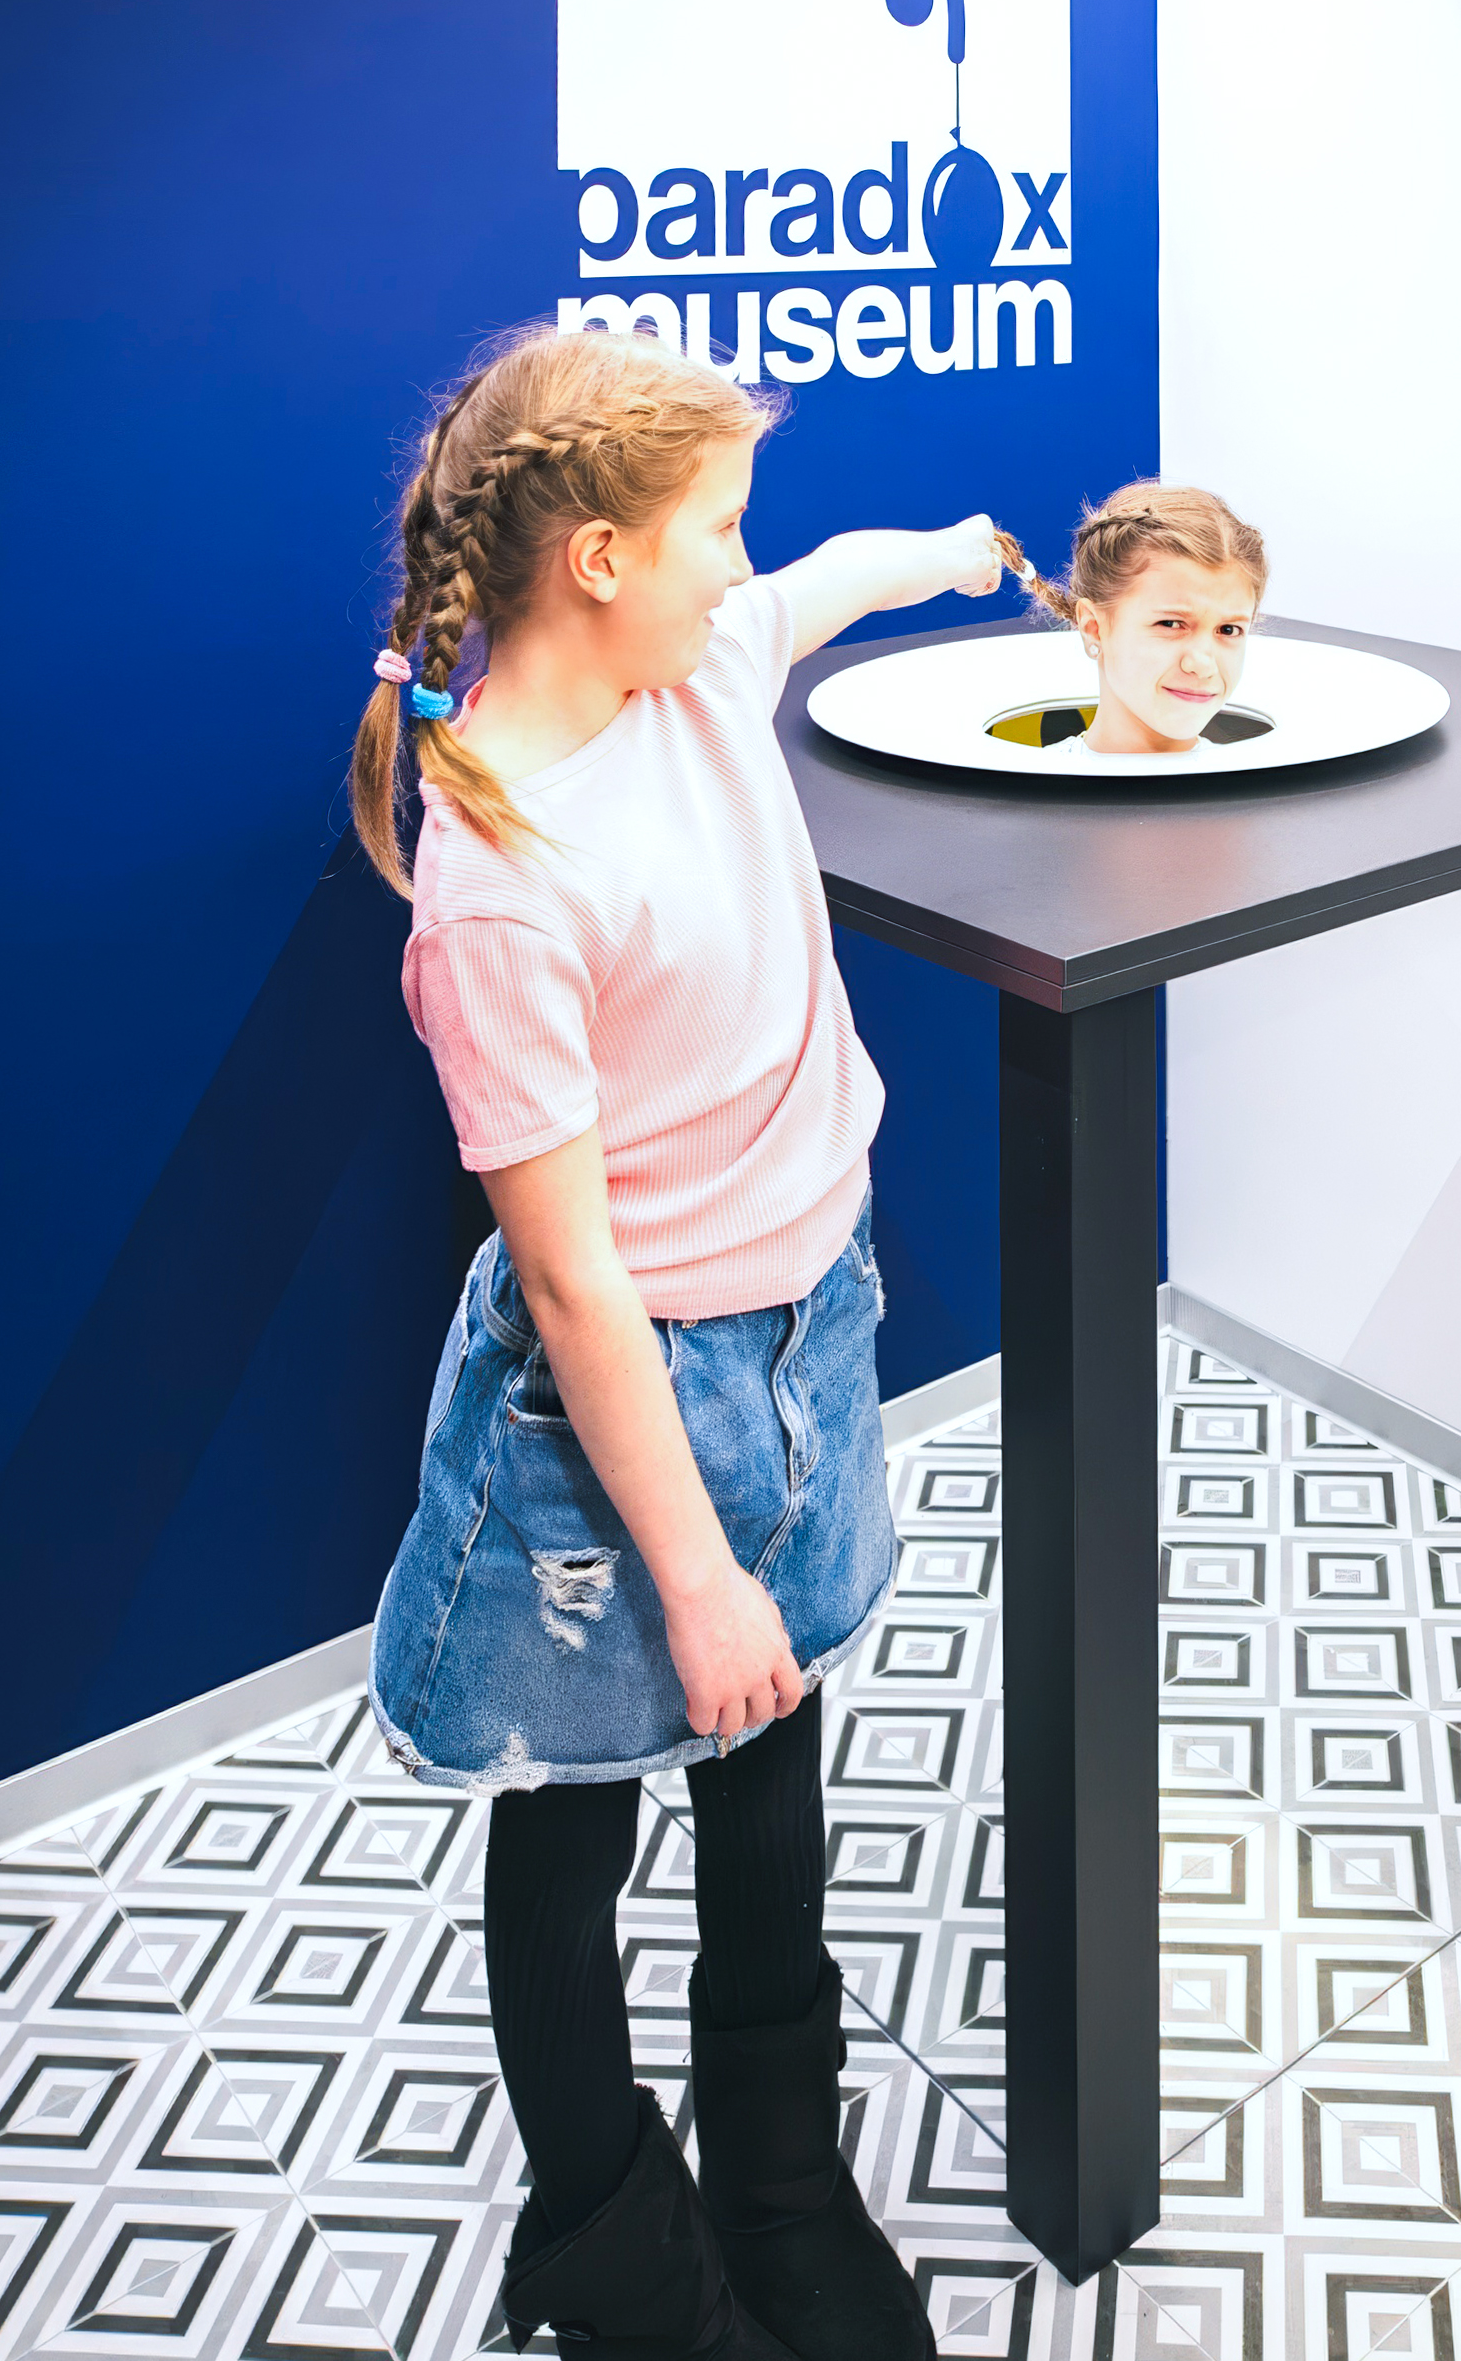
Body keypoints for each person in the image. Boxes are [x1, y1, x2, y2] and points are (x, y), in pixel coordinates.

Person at [350, 322, 1004, 2360]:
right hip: (619, 1407)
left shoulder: (696, 666)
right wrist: (698, 1569)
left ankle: (784, 2188)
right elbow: (567, 1285)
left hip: (802, 1341)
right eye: (716, 525)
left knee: (770, 1768)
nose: (744, 562)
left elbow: (830, 584)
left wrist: (954, 552)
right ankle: (618, 2259)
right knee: (573, 1818)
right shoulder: (498, 882)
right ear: (600, 559)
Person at [1002, 482, 1272, 755]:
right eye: (1170, 624)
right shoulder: (1031, 778)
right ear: (1094, 628)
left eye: (1229, 629)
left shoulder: (1262, 776)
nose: (1203, 665)